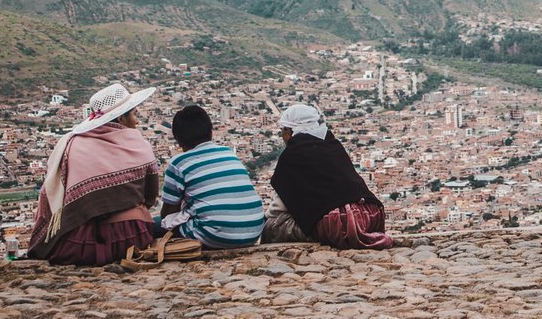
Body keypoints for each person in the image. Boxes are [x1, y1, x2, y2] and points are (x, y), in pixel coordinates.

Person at [28, 82, 162, 265]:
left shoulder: (72, 147)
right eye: (133, 114)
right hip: (134, 235)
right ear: (121, 119)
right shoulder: (139, 145)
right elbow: (150, 198)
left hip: (83, 243)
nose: (137, 120)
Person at [263, 104, 393, 249]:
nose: (283, 136)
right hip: (372, 215)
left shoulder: (294, 154)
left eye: (283, 130)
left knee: (272, 226)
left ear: (290, 130)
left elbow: (278, 208)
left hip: (341, 223)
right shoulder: (332, 144)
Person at [156, 105, 266, 248]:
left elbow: (168, 213)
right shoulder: (229, 153)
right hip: (254, 232)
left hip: (214, 235)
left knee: (154, 225)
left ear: (178, 139)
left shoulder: (178, 163)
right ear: (211, 132)